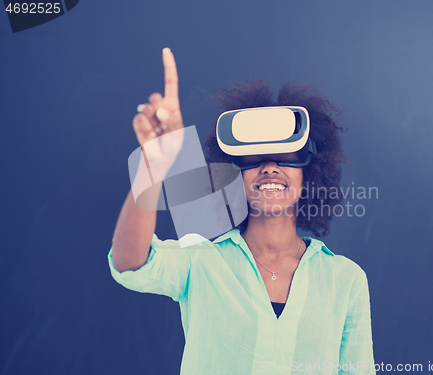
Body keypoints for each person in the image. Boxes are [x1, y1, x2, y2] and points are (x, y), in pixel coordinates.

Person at [108, 48, 376, 374]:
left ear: (311, 172)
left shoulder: (345, 281)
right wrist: (153, 164)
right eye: (254, 157)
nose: (270, 167)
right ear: (234, 172)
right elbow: (130, 264)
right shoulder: (202, 260)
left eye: (286, 155)